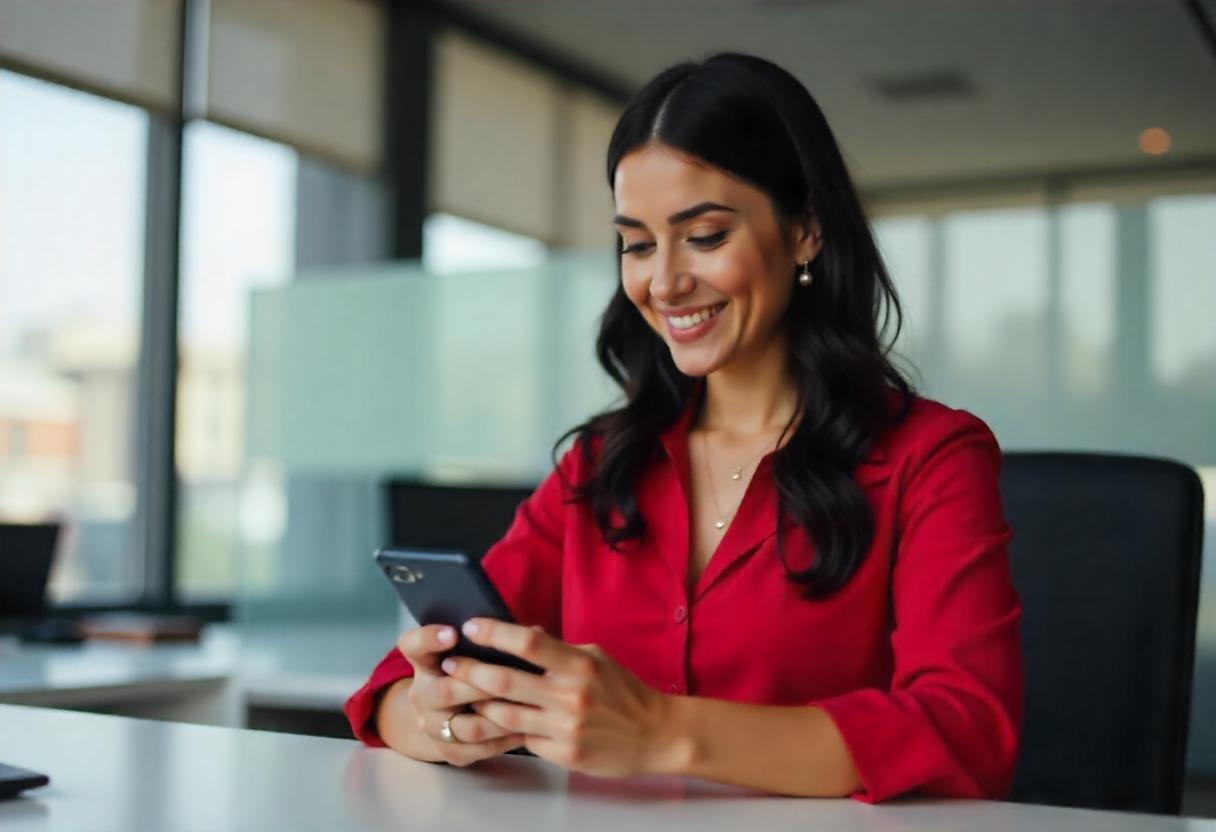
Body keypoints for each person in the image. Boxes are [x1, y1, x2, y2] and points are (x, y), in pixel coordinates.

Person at [344, 52, 1022, 803]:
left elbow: (967, 732)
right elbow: (391, 692)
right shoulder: (599, 464)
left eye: (704, 235)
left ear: (806, 231)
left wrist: (660, 730)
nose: (663, 282)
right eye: (637, 244)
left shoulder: (932, 457)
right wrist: (439, 716)